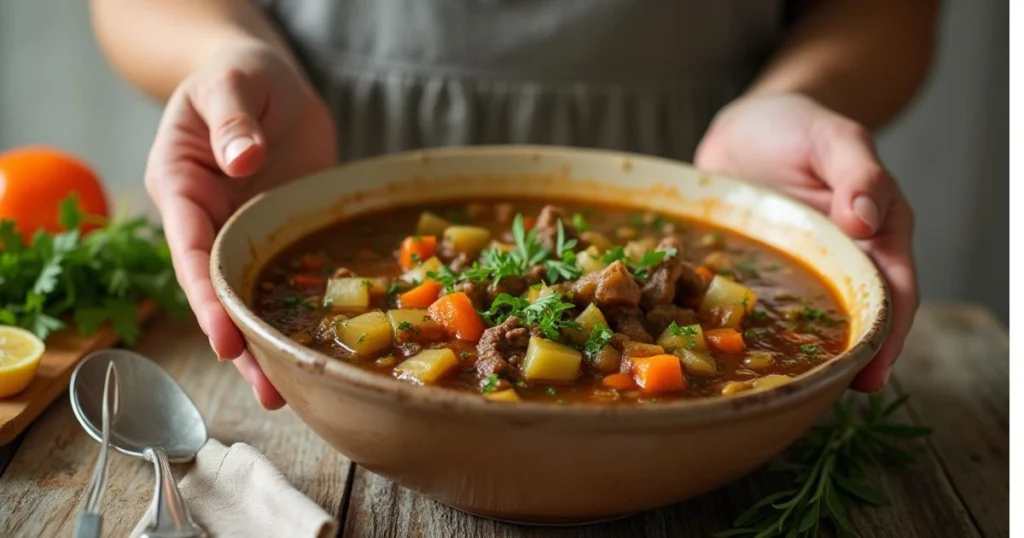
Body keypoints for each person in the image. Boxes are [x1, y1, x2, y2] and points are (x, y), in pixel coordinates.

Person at [90, 0, 938, 409]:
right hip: (310, 134)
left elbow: (887, 13)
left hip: (713, 150)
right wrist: (222, 49)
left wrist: (803, 92)